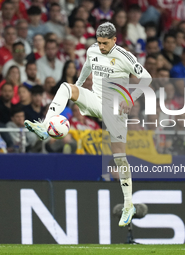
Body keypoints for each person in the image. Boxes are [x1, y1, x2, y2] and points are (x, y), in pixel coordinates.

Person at [24, 22, 152, 227]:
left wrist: (131, 99)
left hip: (116, 110)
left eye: (105, 43)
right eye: (99, 42)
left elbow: (147, 78)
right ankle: (44, 126)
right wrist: (79, 85)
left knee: (119, 156)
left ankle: (129, 204)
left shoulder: (125, 57)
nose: (101, 47)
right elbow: (87, 66)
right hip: (96, 100)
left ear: (114, 40)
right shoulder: (92, 50)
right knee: (67, 87)